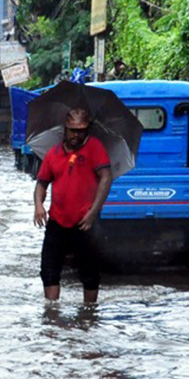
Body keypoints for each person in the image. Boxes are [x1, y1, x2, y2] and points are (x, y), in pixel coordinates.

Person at [33, 107, 114, 304]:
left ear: (88, 130)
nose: (76, 135)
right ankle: (51, 314)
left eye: (81, 130)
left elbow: (106, 178)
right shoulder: (53, 154)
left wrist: (93, 212)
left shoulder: (94, 148)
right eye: (72, 130)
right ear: (65, 129)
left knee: (89, 272)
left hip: (85, 222)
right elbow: (41, 183)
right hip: (58, 221)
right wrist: (38, 205)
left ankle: (89, 313)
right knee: (49, 270)